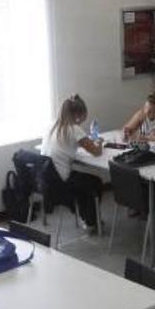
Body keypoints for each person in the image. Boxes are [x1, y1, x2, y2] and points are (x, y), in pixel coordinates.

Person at [41, 94, 104, 230]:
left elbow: (68, 144)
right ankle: (91, 221)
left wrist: (84, 143)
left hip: (47, 179)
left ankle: (86, 217)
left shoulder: (52, 126)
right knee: (95, 183)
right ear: (78, 114)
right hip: (61, 181)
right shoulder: (74, 129)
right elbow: (97, 152)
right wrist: (99, 141)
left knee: (82, 181)